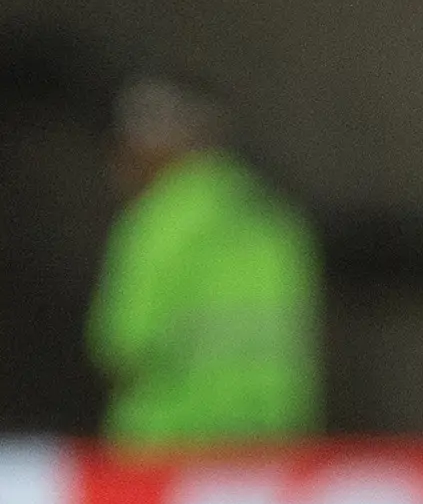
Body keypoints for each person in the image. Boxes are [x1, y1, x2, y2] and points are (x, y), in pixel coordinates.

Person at [88, 78, 321, 449]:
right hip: (270, 446)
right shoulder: (274, 219)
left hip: (170, 449)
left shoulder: (157, 223)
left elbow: (123, 347)